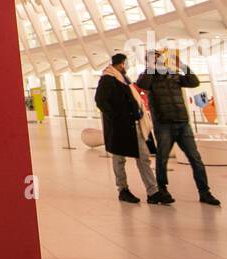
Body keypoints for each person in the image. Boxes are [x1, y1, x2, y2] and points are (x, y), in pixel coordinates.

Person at [136, 50, 220, 206]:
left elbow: (194, 81)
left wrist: (182, 65)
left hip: (182, 122)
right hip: (163, 123)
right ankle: (161, 189)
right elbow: (142, 85)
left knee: (195, 158)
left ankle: (204, 192)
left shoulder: (173, 75)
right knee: (162, 159)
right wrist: (150, 68)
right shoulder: (147, 77)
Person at [94, 53, 159, 205]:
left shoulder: (125, 79)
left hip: (133, 124)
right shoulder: (108, 79)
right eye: (126, 63)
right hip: (119, 126)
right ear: (121, 64)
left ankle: (153, 191)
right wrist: (116, 118)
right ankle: (123, 189)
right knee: (119, 159)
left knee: (143, 156)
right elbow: (100, 101)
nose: (127, 66)